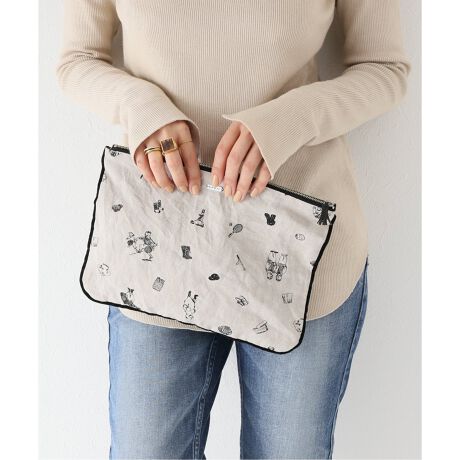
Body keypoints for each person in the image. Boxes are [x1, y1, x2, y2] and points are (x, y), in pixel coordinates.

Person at [56, 1, 410, 458]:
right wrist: (140, 106)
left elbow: (384, 69)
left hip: (298, 254)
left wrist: (291, 119)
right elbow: (77, 59)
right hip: (159, 250)